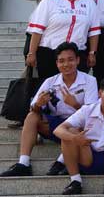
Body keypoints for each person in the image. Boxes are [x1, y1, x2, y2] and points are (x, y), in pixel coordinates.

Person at [1, 44, 97, 177]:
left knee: (81, 124)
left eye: (70, 60)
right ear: (57, 63)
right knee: (31, 116)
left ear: (78, 60)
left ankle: (61, 161)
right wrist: (39, 104)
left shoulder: (90, 81)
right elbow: (33, 108)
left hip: (77, 127)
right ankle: (23, 163)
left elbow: (92, 114)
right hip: (56, 126)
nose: (66, 64)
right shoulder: (50, 81)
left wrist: (75, 105)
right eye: (61, 61)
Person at [53, 75, 104, 195]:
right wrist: (74, 138)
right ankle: (75, 181)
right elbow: (58, 130)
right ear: (100, 93)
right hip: (87, 157)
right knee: (69, 132)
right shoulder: (87, 109)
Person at [26, 0, 101, 78]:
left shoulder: (89, 2)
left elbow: (94, 31)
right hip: (49, 54)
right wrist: (31, 53)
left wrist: (92, 53)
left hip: (78, 55)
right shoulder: (49, 1)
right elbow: (37, 30)